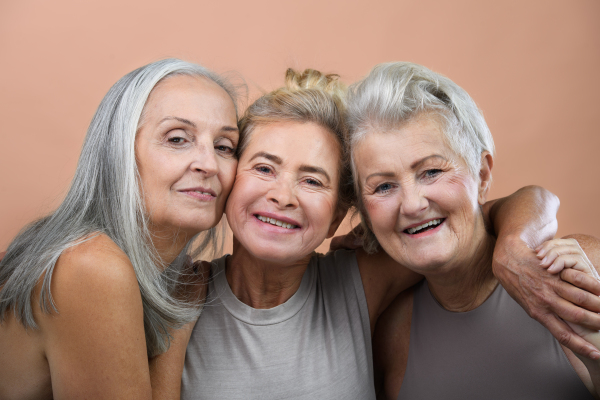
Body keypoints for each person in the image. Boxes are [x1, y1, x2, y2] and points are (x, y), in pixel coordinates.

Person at [176, 68, 590, 399]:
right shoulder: (184, 294)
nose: (283, 196)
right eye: (264, 168)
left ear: (339, 214)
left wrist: (514, 245)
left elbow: (479, 216)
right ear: (230, 181)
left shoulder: (364, 281)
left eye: (314, 181)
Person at [347, 61, 600, 399]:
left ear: (482, 176)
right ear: (365, 215)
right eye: (383, 187)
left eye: (431, 171)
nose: (411, 204)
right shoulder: (389, 332)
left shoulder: (582, 270)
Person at [0, 58, 240, 399]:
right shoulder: (90, 265)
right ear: (120, 152)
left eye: (224, 147)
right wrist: (178, 329)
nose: (208, 163)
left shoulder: (121, 264)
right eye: (177, 139)